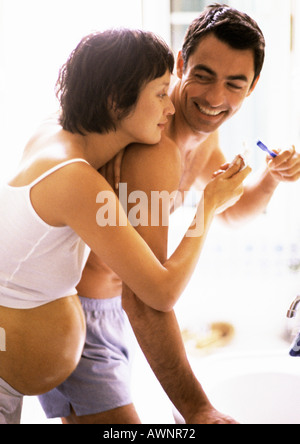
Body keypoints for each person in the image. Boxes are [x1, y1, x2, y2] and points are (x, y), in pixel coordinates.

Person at [37, 4, 285, 425]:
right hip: (78, 316)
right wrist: (197, 407)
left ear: (253, 86)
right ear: (181, 62)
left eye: (234, 84)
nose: (214, 98)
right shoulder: (154, 152)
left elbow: (234, 213)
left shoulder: (203, 134)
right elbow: (147, 298)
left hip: (112, 311)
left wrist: (271, 178)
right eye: (203, 75)